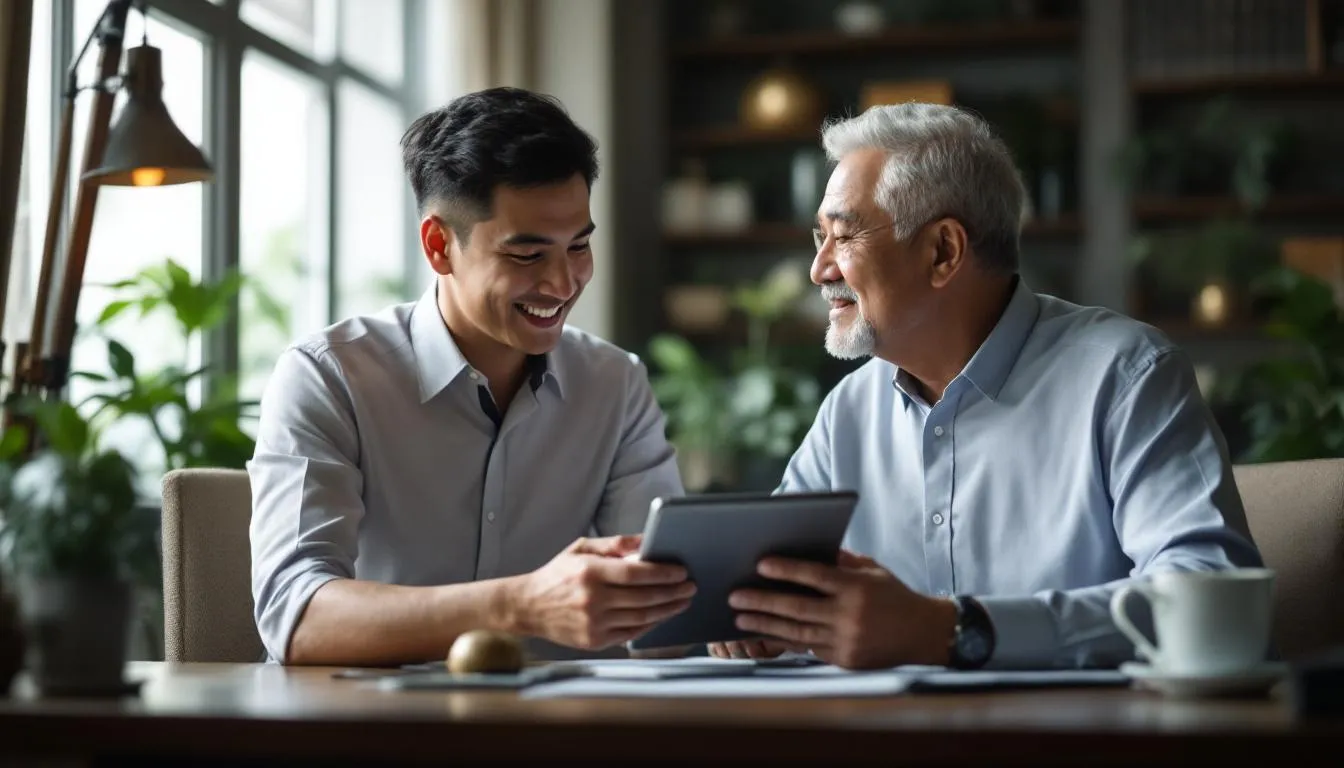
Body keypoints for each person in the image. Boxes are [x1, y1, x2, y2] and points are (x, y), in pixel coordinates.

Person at [709, 102, 1263, 669]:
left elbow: (1208, 593)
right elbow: (763, 582)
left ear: (943, 252)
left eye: (844, 237)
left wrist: (956, 631)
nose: (819, 269)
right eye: (819, 238)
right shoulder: (848, 409)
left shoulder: (1125, 376)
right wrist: (751, 612)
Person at [248, 87, 692, 666]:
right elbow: (297, 617)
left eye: (578, 246)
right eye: (528, 256)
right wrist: (520, 604)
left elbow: (667, 615)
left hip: (561, 735)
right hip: (374, 733)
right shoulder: (329, 377)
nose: (563, 284)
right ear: (439, 245)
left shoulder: (615, 384)